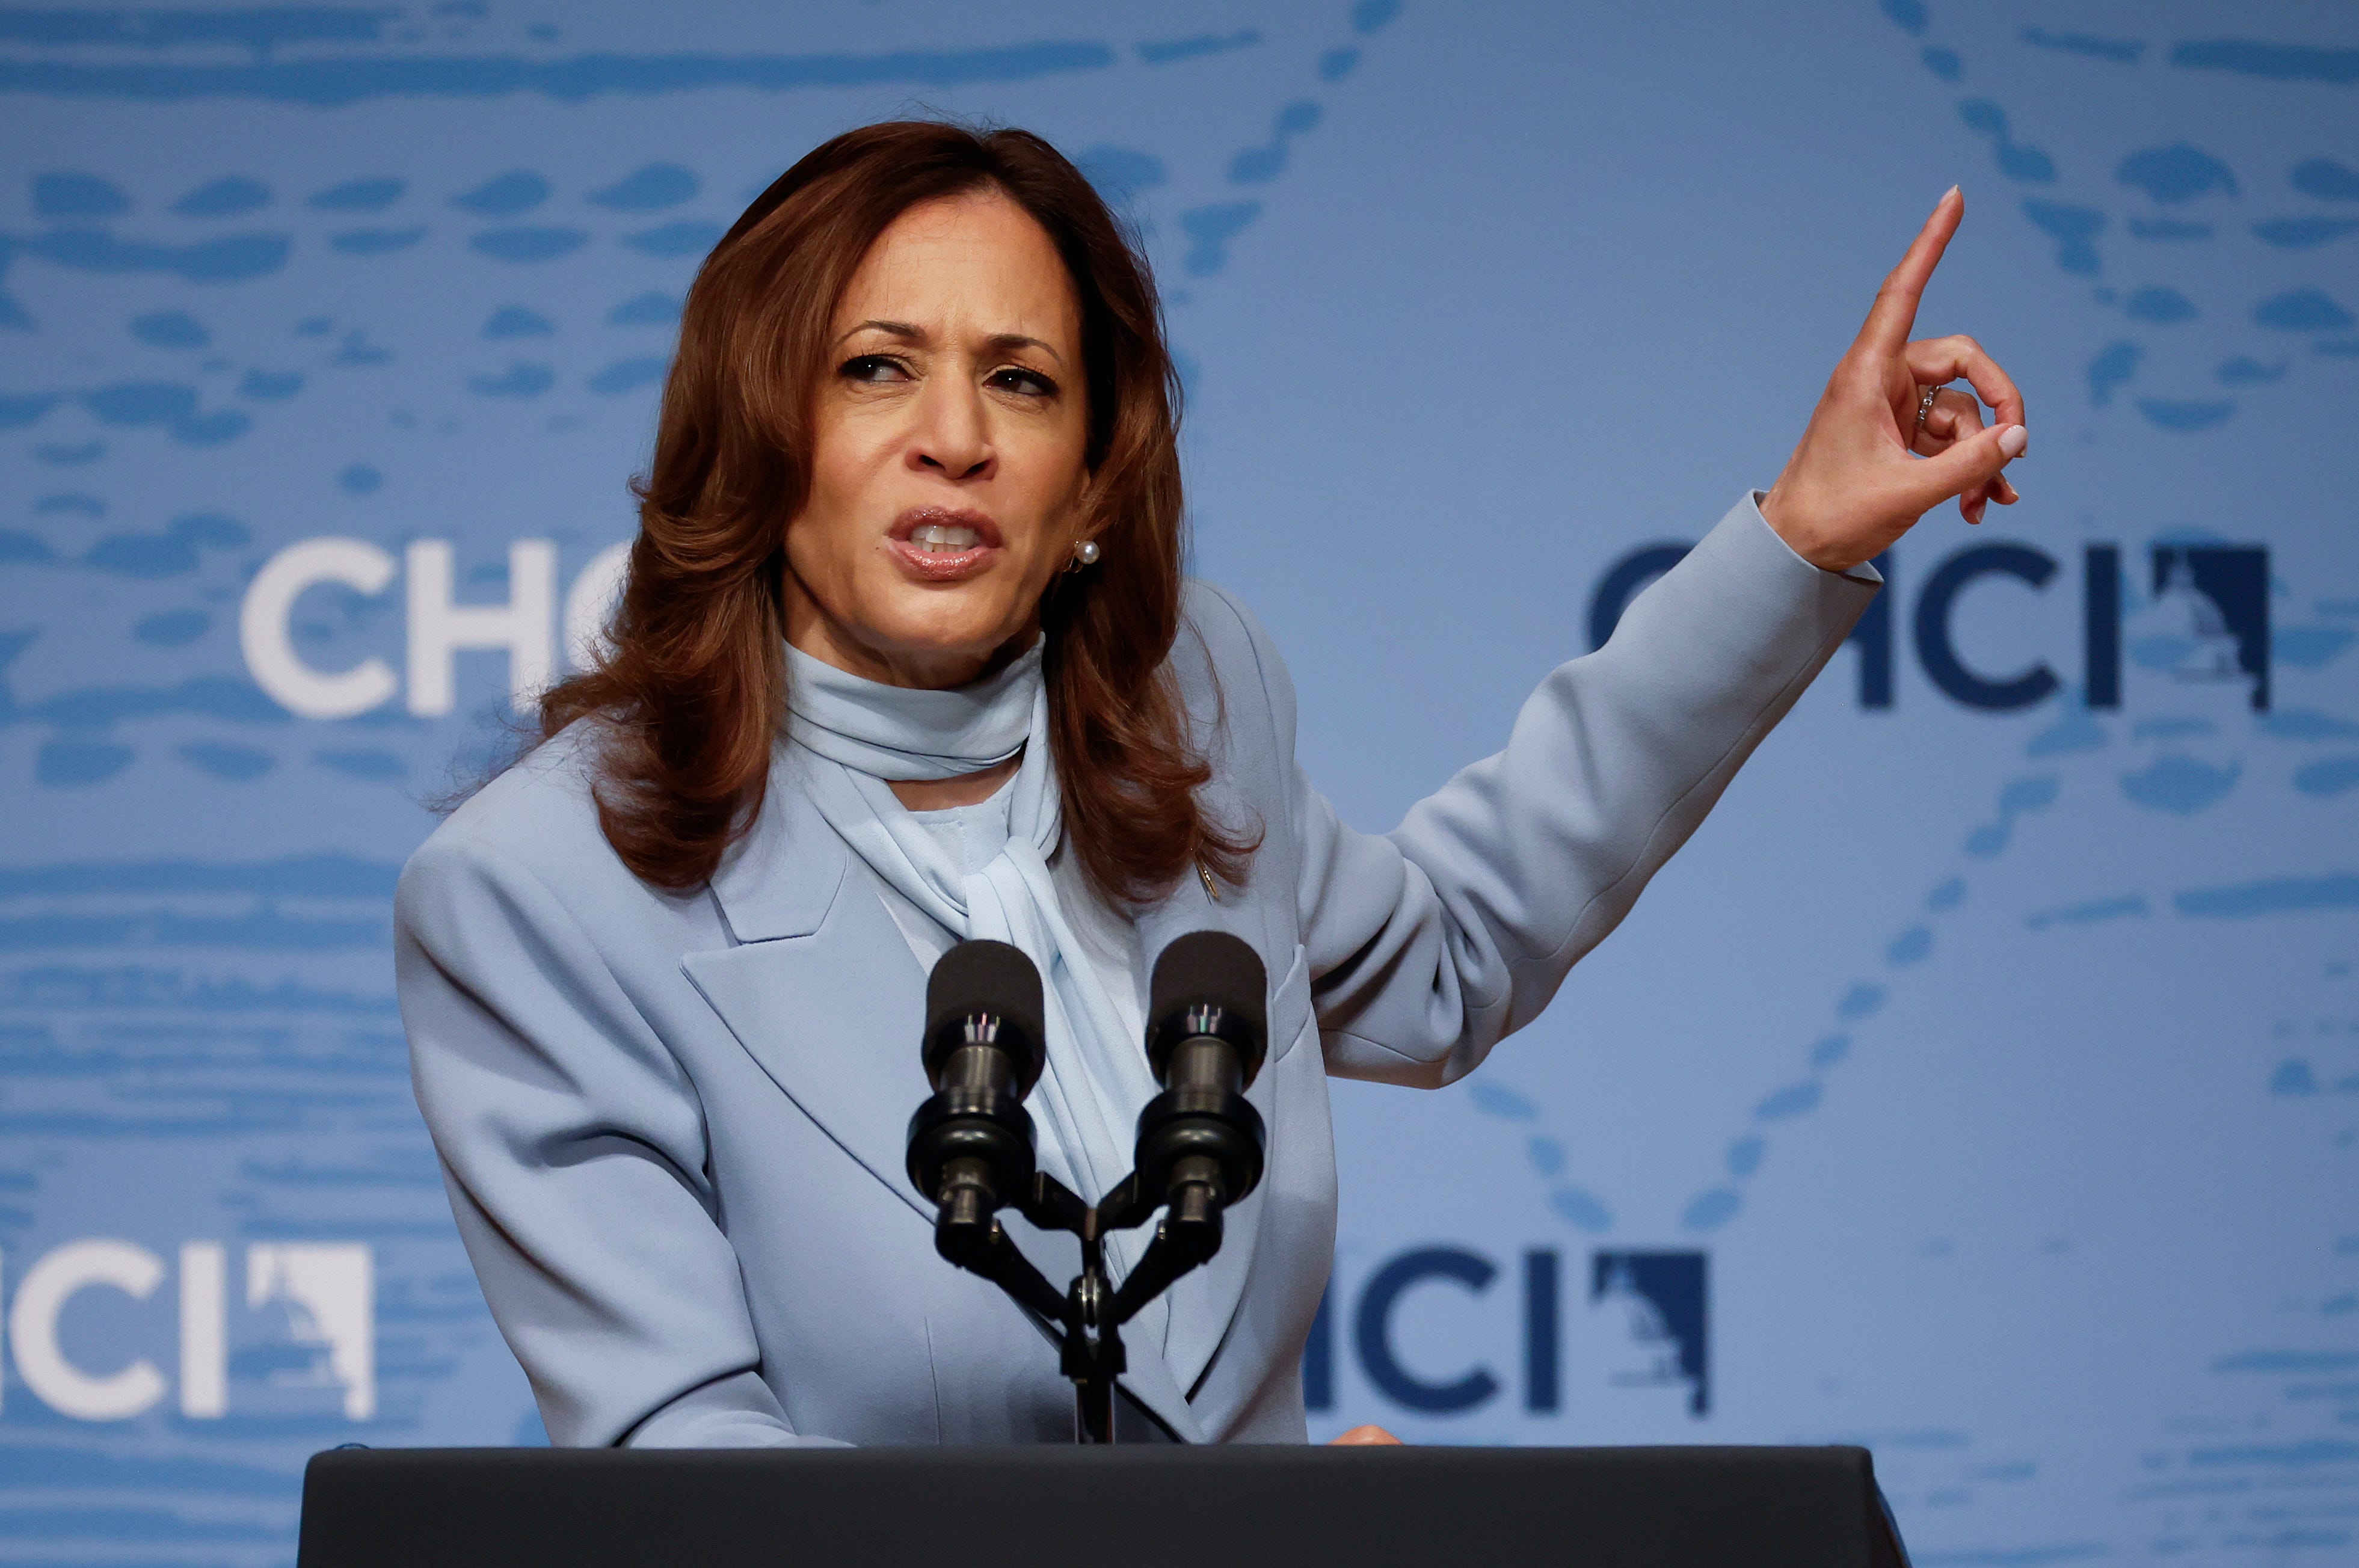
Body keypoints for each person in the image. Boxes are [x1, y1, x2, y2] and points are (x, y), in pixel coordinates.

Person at [395, 120, 2025, 1448]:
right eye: (876, 368)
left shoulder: (1187, 699)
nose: (955, 436)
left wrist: (1800, 538)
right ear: (758, 432)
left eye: (1021, 380)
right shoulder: (541, 891)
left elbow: (1448, 958)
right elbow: (688, 1482)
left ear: (1091, 484)